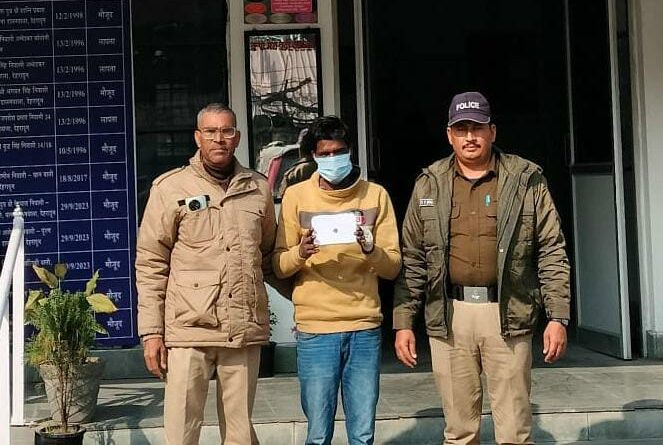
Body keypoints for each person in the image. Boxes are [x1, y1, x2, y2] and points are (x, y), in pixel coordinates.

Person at [393, 91, 570, 445]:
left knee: (515, 432)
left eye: (477, 128)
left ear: (492, 131)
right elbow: (412, 257)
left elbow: (551, 250)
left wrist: (558, 316)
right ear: (449, 135)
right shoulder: (430, 183)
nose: (470, 137)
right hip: (450, 316)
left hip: (508, 312)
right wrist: (403, 322)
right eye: (461, 129)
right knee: (459, 432)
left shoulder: (525, 179)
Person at [136, 103, 276, 445]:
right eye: (211, 132)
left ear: (237, 137)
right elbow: (151, 263)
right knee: (181, 431)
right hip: (189, 330)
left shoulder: (258, 188)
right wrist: (152, 332)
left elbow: (267, 255)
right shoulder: (170, 188)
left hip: (242, 329)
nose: (219, 139)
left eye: (227, 131)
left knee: (241, 435)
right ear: (198, 138)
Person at [272, 116, 402, 445]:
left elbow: (392, 267)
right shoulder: (296, 196)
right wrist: (300, 252)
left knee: (363, 433)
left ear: (351, 150)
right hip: (316, 329)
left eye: (339, 151)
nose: (333, 159)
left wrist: (371, 249)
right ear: (313, 156)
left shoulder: (375, 195)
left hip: (364, 326)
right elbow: (279, 265)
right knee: (318, 433)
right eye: (325, 154)